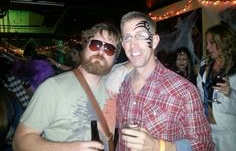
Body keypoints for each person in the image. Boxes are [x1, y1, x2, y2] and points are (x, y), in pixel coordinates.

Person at [12, 22, 122, 151]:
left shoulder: (116, 89)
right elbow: (19, 142)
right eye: (95, 44)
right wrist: (69, 148)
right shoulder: (52, 88)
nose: (101, 51)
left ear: (115, 58)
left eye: (109, 48)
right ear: (84, 47)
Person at [116, 11, 214, 151]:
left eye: (141, 36)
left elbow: (205, 145)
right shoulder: (122, 84)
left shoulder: (185, 90)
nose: (133, 45)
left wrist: (158, 146)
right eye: (128, 38)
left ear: (155, 41)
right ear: (123, 44)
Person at [196, 23, 236, 151]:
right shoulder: (205, 66)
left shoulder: (234, 69)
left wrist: (229, 93)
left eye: (212, 42)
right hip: (206, 130)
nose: (207, 47)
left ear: (224, 42)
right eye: (207, 43)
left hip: (228, 133)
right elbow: (199, 95)